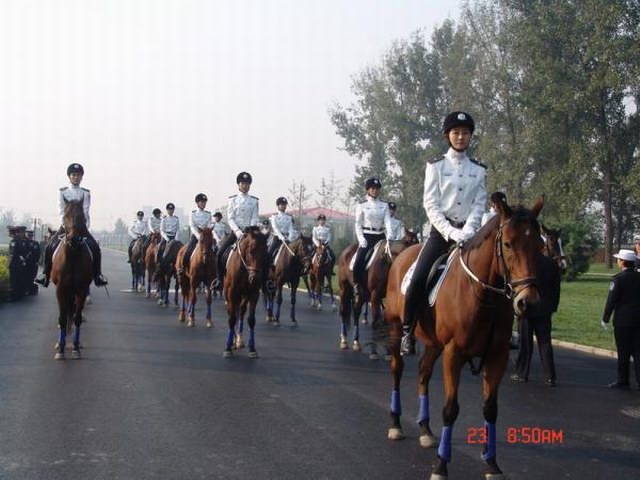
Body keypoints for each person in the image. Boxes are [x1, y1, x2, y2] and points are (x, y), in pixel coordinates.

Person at [400, 111, 487, 355]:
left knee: (495, 275)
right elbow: (431, 204)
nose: (461, 137)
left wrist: (469, 230)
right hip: (441, 234)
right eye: (456, 132)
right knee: (417, 278)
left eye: (465, 133)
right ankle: (408, 330)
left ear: (470, 136)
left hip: (470, 234)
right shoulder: (436, 166)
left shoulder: (478, 169)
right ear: (447, 135)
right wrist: (450, 232)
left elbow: (479, 204)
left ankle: (497, 331)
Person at [35, 163, 108, 287]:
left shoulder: (85, 192)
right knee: (50, 246)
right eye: (73, 175)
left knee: (95, 247)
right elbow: (60, 209)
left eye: (78, 175)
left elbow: (86, 210)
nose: (76, 177)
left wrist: (84, 226)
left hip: (81, 227)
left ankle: (97, 275)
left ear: (81, 177)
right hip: (65, 226)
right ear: (69, 176)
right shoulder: (62, 191)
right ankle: (45, 274)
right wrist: (66, 225)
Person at [511, 253, 561, 386]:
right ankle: (550, 376)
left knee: (525, 343)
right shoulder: (551, 263)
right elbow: (556, 287)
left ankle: (522, 372)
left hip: (527, 308)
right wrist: (553, 306)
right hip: (544, 309)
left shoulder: (525, 261)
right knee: (545, 343)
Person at [212, 172, 260, 289]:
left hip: (249, 233)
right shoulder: (232, 200)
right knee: (220, 254)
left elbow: (255, 217)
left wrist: (250, 231)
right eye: (242, 183)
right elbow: (230, 218)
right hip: (235, 233)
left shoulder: (254, 201)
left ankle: (264, 281)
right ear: (238, 184)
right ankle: (219, 280)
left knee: (263, 254)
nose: (244, 185)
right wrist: (238, 231)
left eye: (247, 183)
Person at [600, 249, 640, 390]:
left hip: (623, 321)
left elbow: (611, 300)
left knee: (623, 351)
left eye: (618, 259)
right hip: (638, 320)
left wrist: (605, 318)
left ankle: (623, 381)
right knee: (637, 351)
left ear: (622, 262)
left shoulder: (618, 279)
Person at [353, 177, 393, 301]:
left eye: (377, 189)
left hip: (381, 236)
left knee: (392, 258)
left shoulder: (384, 205)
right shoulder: (362, 205)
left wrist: (390, 234)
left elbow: (387, 221)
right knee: (359, 260)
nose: (375, 191)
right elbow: (358, 224)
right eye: (373, 189)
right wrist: (361, 239)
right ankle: (357, 285)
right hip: (367, 236)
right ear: (368, 190)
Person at [181, 193, 212, 273]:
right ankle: (183, 268)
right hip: (196, 236)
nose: (203, 204)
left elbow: (209, 225)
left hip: (205, 237)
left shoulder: (208, 214)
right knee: (187, 252)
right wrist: (198, 236)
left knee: (215, 250)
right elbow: (192, 226)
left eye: (205, 202)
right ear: (197, 203)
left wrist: (206, 233)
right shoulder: (193, 213)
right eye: (202, 202)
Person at [268, 197, 295, 266]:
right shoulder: (274, 216)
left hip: (287, 238)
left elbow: (291, 228)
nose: (283, 206)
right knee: (270, 251)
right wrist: (281, 236)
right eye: (281, 204)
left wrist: (290, 237)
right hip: (277, 238)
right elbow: (275, 228)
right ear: (278, 205)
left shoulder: (289, 217)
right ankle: (267, 267)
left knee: (296, 252)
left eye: (285, 205)